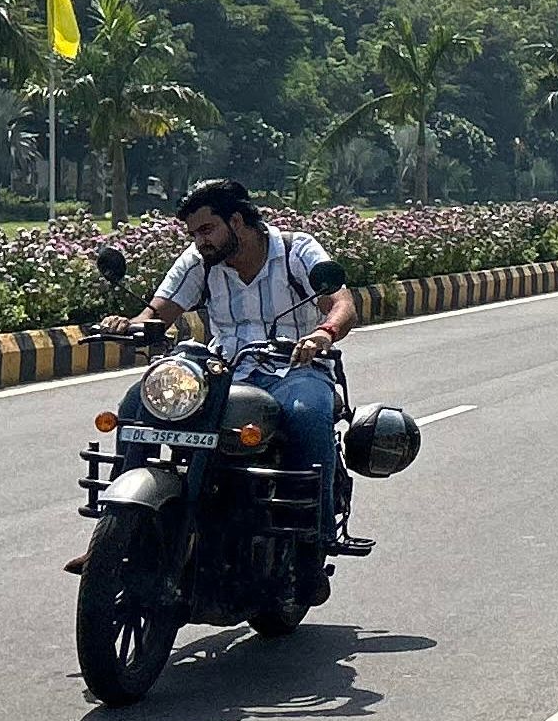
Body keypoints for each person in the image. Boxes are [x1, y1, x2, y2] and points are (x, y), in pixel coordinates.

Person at [72, 180, 357, 572]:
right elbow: (158, 313)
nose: (199, 240)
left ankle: (313, 536)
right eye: (193, 233)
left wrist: (322, 334)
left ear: (236, 221)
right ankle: (114, 531)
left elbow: (342, 304)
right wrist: (128, 324)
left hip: (294, 368)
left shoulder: (295, 250)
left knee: (308, 412)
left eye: (207, 230)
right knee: (138, 403)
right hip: (223, 373)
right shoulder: (200, 260)